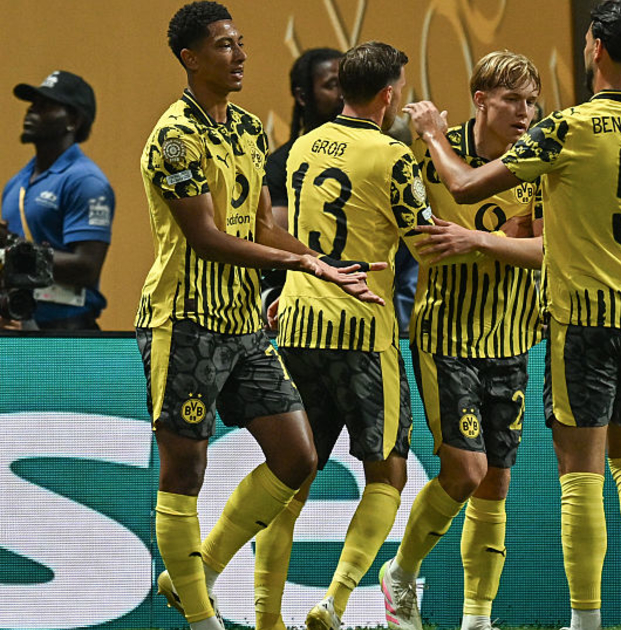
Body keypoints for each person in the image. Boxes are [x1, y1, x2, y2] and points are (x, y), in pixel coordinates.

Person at [401, 2, 621, 629]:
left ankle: (586, 620)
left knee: (582, 476)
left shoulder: (566, 129)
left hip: (583, 319)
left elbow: (463, 188)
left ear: (595, 47)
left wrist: (431, 133)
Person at [136, 4, 385, 630]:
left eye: (240, 43)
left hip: (243, 323)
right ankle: (202, 619)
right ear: (191, 59)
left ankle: (197, 573)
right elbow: (207, 238)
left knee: (298, 458)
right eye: (224, 46)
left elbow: (262, 225)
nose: (241, 55)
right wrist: (299, 265)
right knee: (185, 470)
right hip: (183, 320)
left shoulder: (247, 129)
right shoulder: (174, 139)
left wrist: (319, 263)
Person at [246, 41, 421, 630]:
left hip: (298, 323)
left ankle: (266, 616)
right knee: (388, 474)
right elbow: (425, 241)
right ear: (389, 95)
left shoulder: (297, 150)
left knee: (290, 477)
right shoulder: (393, 154)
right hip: (363, 328)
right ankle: (335, 601)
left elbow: (281, 234)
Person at [378, 50, 545, 630]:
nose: (525, 113)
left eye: (532, 102)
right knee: (467, 471)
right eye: (512, 100)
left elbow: (548, 248)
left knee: (495, 482)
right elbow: (388, 222)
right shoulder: (428, 152)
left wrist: (481, 241)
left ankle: (477, 619)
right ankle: (401, 572)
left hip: (512, 336)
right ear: (480, 100)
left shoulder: (538, 161)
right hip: (445, 335)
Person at [0, 70, 113, 330]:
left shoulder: (85, 181)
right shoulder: (16, 183)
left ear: (73, 120)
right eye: (32, 104)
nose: (31, 111)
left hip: (66, 330)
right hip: (19, 324)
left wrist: (12, 248)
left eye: (45, 106)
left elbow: (86, 267)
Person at [259, 48, 343, 318]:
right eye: (332, 85)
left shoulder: (375, 153)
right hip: (302, 298)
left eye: (348, 83)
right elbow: (275, 235)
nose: (343, 94)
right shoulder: (281, 165)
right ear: (303, 96)